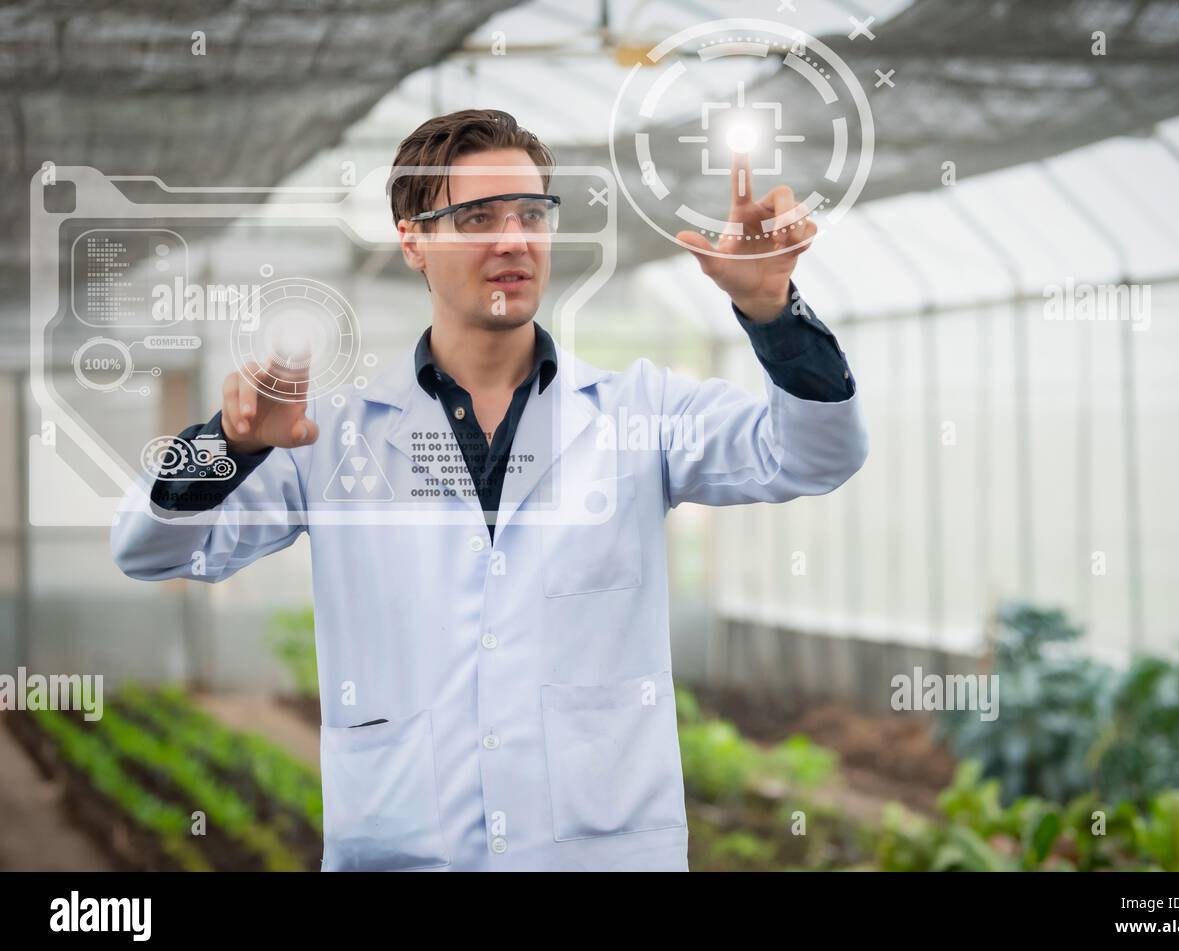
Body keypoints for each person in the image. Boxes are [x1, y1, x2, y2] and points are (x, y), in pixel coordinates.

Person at [111, 108, 868, 871]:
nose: (513, 238)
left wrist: (772, 315)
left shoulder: (640, 413)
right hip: (404, 852)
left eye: (530, 212)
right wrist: (227, 445)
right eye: (476, 216)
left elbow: (811, 454)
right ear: (413, 239)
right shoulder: (333, 438)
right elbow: (151, 548)